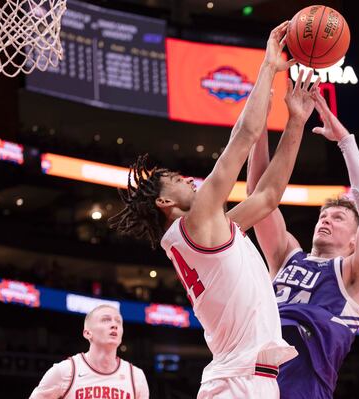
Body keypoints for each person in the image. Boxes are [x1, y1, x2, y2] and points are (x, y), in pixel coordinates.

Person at [109, 21, 321, 399]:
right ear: (164, 202)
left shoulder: (210, 229)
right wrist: (268, 69)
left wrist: (296, 122)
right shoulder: (197, 222)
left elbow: (269, 195)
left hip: (246, 380)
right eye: (175, 179)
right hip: (238, 382)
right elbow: (243, 137)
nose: (189, 180)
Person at [246, 88, 359, 398]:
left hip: (300, 389)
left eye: (338, 218)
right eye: (324, 216)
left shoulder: (356, 275)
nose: (326, 220)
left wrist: (345, 142)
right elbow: (258, 198)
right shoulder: (287, 255)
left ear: (355, 241)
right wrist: (259, 124)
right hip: (248, 380)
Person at [29, 305, 150, 399]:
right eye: (106, 320)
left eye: (118, 321)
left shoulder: (136, 376)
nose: (114, 325)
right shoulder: (65, 370)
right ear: (87, 333)